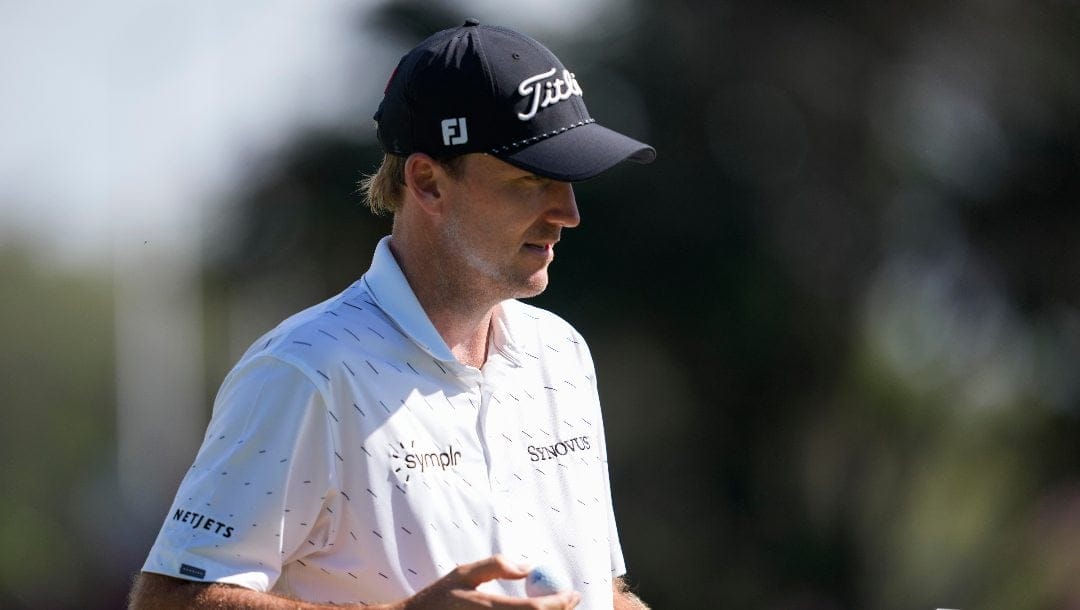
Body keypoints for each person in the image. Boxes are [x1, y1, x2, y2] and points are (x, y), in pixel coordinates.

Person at [129, 19, 655, 610]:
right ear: (427, 182)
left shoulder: (563, 355)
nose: (568, 212)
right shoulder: (306, 372)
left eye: (568, 180)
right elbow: (171, 598)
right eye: (531, 180)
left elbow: (598, 592)